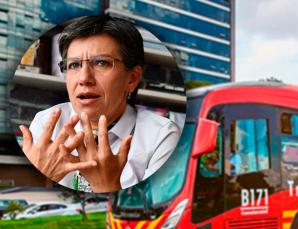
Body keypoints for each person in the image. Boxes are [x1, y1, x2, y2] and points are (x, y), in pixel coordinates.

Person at [20, 15, 181, 192]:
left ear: (132, 78)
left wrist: (107, 185)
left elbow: (154, 208)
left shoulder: (162, 136)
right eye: (74, 65)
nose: (84, 78)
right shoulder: (46, 123)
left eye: (101, 63)